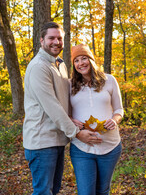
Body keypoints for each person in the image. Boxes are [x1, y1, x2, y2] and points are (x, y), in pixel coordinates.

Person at [23, 22, 102, 195]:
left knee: (54, 189)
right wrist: (76, 132)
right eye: (51, 38)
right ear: (42, 40)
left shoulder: (61, 64)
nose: (56, 42)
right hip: (42, 141)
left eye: (59, 38)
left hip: (57, 139)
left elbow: (64, 100)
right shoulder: (39, 67)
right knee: (44, 191)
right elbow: (52, 106)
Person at [70, 43, 124, 195]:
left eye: (84, 58)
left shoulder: (110, 80)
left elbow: (119, 109)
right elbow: (64, 113)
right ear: (74, 65)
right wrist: (71, 120)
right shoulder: (69, 85)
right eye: (76, 60)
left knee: (103, 190)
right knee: (86, 192)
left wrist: (115, 120)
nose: (81, 63)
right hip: (81, 148)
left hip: (110, 147)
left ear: (91, 60)